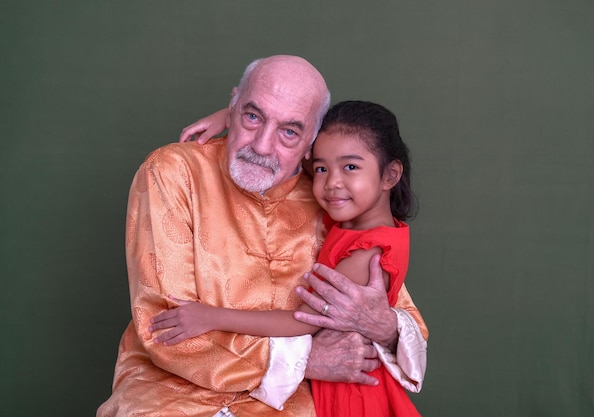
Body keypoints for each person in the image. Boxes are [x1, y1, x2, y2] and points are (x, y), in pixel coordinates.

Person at [97, 55, 427, 417]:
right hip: (173, 395)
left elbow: (399, 316)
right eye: (252, 117)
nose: (263, 146)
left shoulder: (329, 196)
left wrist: (385, 326)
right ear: (235, 105)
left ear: (310, 143)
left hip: (296, 403)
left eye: (289, 131)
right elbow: (163, 324)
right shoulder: (174, 173)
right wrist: (304, 361)